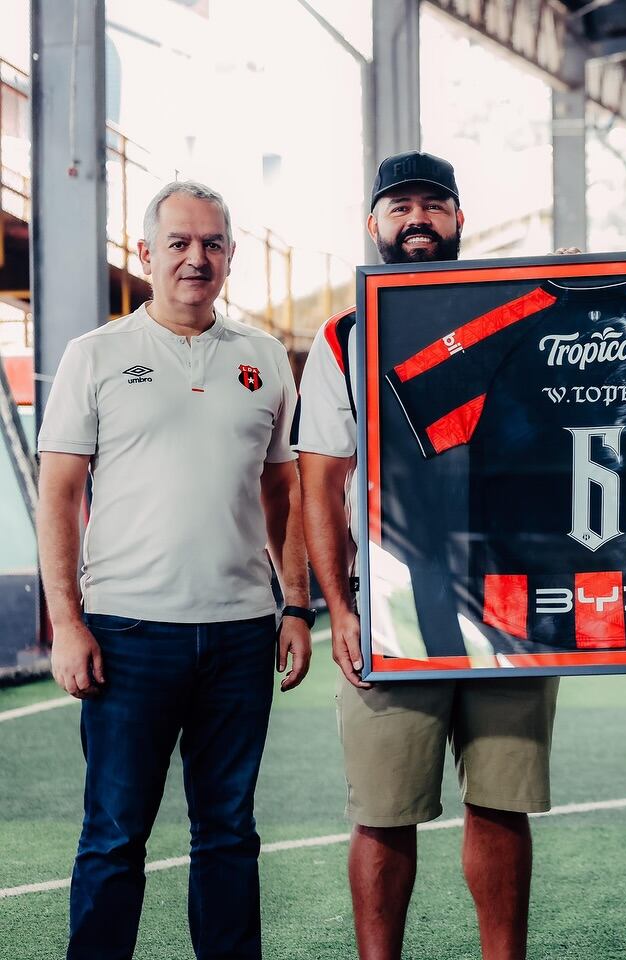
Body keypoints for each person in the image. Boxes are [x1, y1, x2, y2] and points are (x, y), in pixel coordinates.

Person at [38, 180, 311, 959]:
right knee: (114, 836)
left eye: (213, 244)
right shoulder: (95, 356)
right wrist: (67, 623)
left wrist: (295, 605)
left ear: (231, 256)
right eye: (181, 243)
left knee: (228, 832)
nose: (198, 258)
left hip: (237, 637)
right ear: (146, 253)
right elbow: (59, 497)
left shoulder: (262, 359)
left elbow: (281, 489)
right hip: (128, 635)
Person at [296, 151, 559, 960]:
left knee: (501, 801)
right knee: (382, 809)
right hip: (391, 606)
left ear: (459, 220)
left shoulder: (523, 316)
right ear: (372, 224)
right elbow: (320, 483)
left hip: (510, 598)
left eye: (434, 205)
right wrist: (337, 610)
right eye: (400, 206)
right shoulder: (345, 338)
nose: (418, 220)